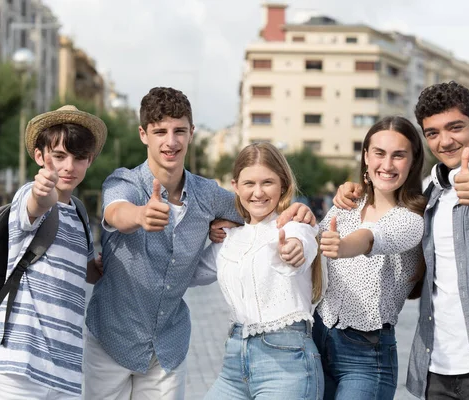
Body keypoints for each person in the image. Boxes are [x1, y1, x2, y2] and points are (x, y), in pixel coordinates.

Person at [84, 87, 315, 400]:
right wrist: (141, 215)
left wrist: (298, 212)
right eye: (160, 131)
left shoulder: (208, 194)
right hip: (112, 337)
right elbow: (115, 212)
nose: (171, 141)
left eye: (179, 131)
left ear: (191, 133)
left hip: (167, 346)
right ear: (143, 135)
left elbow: (258, 208)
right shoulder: (123, 182)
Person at [335, 81, 469, 400]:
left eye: (455, 127)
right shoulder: (429, 193)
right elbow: (387, 219)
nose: (445, 141)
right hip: (436, 369)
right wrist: (353, 190)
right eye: (433, 132)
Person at [0, 105, 106, 399]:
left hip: (64, 372)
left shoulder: (79, 213)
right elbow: (35, 206)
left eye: (78, 158)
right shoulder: (28, 196)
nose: (68, 167)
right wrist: (42, 193)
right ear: (40, 156)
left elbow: (88, 270)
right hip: (17, 367)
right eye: (59, 156)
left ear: (89, 160)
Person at [191, 142, 325, 399]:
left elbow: (303, 245)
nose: (258, 192)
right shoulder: (229, 239)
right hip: (234, 362)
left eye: (268, 182)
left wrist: (294, 250)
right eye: (249, 183)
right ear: (236, 186)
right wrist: (204, 231)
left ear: (283, 185)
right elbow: (188, 273)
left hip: (287, 364)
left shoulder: (295, 225)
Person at [315, 116, 426, 399]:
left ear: (413, 162)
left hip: (365, 355)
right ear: (366, 156)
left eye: (398, 155)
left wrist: (340, 246)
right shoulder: (348, 205)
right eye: (379, 153)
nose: (387, 165)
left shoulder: (412, 219)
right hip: (317, 338)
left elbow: (371, 237)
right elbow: (311, 243)